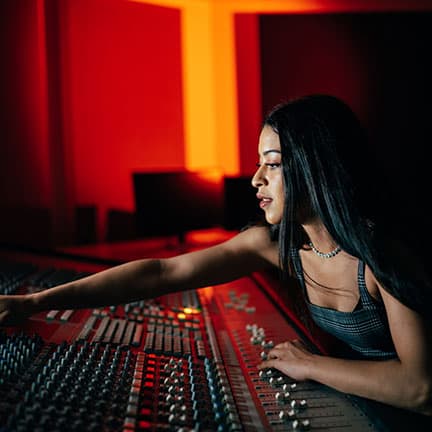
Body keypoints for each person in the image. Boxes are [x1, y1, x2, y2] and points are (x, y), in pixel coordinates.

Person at [1, 94, 431, 420]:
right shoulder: (276, 244)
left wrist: (314, 366)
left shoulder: (384, 253)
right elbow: (162, 272)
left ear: (317, 168)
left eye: (274, 163)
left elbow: (420, 388)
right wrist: (36, 302)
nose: (256, 179)